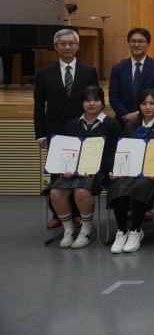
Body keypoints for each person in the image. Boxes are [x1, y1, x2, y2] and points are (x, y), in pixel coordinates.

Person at [34, 28, 100, 228]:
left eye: (71, 43)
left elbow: (94, 100)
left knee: (79, 171)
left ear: (77, 46)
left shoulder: (89, 71)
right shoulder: (44, 73)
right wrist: (40, 134)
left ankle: (78, 212)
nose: (67, 47)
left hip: (82, 129)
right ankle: (57, 214)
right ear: (55, 47)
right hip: (55, 130)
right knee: (57, 172)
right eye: (62, 43)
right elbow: (39, 105)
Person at [45, 85, 120, 249]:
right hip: (74, 171)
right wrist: (66, 167)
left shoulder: (112, 124)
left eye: (96, 100)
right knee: (55, 192)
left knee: (81, 191)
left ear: (102, 102)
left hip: (99, 172)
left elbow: (114, 153)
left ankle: (86, 229)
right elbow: (67, 150)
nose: (92, 103)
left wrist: (96, 168)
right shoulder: (72, 124)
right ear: (82, 103)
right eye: (87, 100)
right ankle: (69, 230)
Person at [108, 88, 154, 254]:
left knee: (142, 185)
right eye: (144, 103)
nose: (148, 107)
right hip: (131, 171)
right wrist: (117, 169)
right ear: (139, 105)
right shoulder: (130, 126)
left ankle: (136, 230)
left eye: (152, 103)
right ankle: (122, 231)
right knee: (117, 185)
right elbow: (123, 153)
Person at [108, 27, 154, 127]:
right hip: (123, 122)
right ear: (128, 43)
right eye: (133, 41)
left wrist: (139, 114)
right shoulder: (117, 68)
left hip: (150, 121)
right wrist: (126, 115)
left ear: (148, 44)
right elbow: (113, 96)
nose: (136, 45)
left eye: (141, 41)